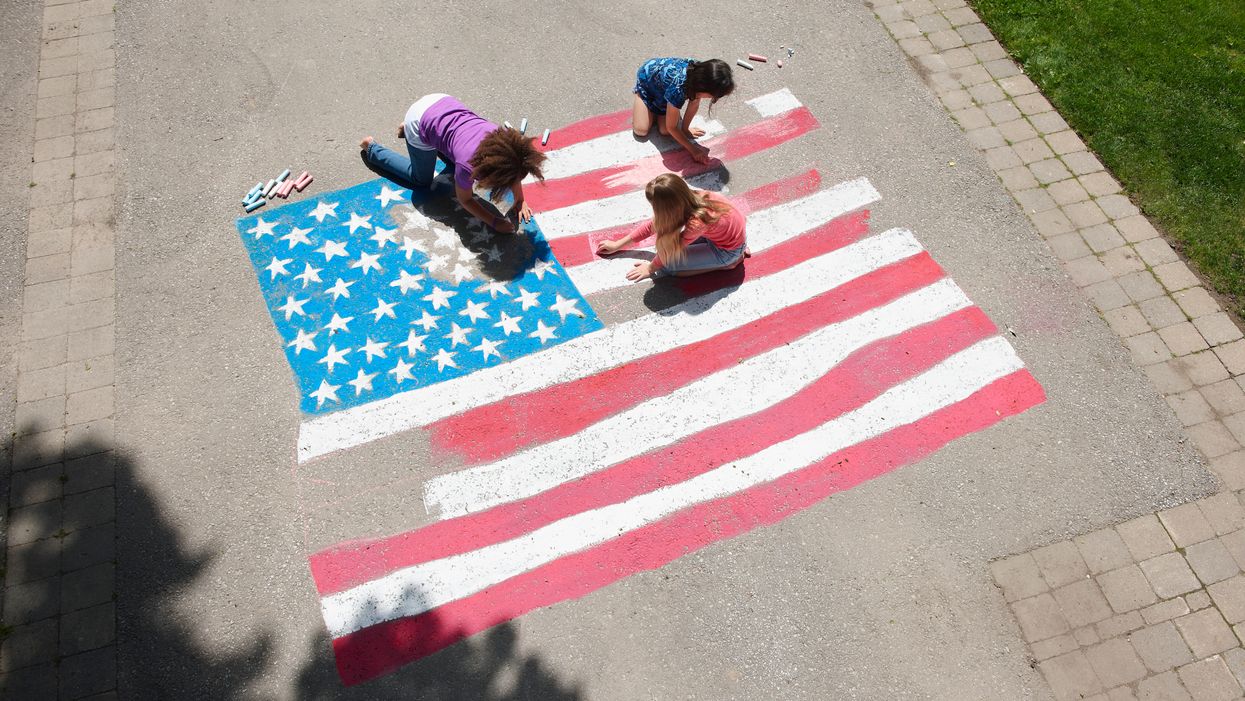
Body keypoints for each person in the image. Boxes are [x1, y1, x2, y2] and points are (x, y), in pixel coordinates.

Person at [358, 94, 546, 233]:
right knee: (421, 180)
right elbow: (466, 199)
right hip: (420, 122)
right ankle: (373, 149)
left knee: (448, 147)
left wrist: (519, 200)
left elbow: (513, 168)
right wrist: (495, 222)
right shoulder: (467, 165)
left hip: (441, 102)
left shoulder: (503, 142)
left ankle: (409, 125)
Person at [596, 173, 748, 282]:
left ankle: (728, 264)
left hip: (726, 251)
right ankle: (735, 252)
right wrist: (618, 245)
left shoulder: (696, 222)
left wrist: (650, 269)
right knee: (663, 255)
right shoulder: (694, 196)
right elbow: (653, 226)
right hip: (728, 238)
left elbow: (670, 251)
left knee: (669, 268)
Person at [631, 58, 735, 165]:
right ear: (704, 87)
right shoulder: (677, 88)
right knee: (641, 130)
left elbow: (694, 103)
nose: (713, 98)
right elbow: (672, 127)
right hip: (647, 85)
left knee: (665, 130)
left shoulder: (701, 75)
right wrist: (693, 149)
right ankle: (641, 97)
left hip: (664, 89)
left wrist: (685, 129)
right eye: (713, 95)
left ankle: (664, 106)